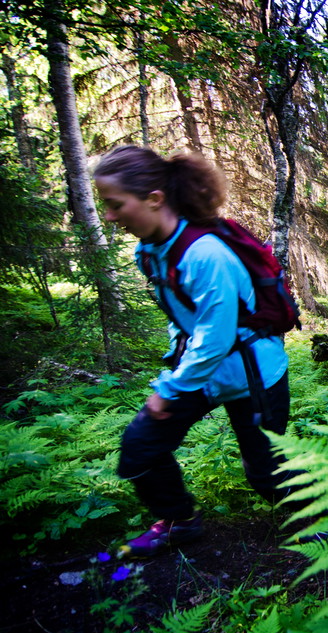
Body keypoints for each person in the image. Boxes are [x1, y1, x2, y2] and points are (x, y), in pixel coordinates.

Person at [94, 146, 297, 557]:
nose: (110, 217)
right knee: (141, 448)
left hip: (254, 374)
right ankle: (179, 521)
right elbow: (184, 316)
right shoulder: (148, 252)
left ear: (154, 199)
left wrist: (170, 389)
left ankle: (320, 516)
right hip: (204, 372)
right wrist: (177, 360)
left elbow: (216, 338)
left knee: (265, 474)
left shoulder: (206, 254)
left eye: (116, 205)